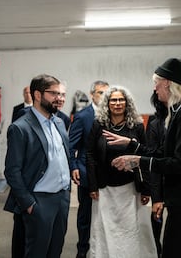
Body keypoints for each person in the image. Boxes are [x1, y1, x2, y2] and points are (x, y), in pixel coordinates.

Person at [112, 58, 181, 258]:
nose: (154, 88)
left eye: (156, 83)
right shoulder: (180, 111)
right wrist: (132, 145)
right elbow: (165, 153)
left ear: (167, 82)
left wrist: (137, 161)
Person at [4, 74, 71, 258]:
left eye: (62, 94)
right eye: (54, 93)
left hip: (62, 199)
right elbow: (12, 171)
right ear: (37, 95)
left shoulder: (59, 122)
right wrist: (29, 203)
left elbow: (63, 155)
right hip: (39, 201)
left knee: (55, 251)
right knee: (36, 253)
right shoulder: (20, 127)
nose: (60, 99)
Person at [86, 85, 156, 258]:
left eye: (121, 99)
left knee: (131, 231)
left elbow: (144, 154)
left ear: (127, 103)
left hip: (131, 189)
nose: (118, 103)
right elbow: (90, 154)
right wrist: (93, 185)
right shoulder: (98, 125)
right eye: (113, 100)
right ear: (107, 104)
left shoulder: (137, 126)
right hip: (104, 189)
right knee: (105, 230)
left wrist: (146, 188)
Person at [68, 80, 109, 258]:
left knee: (106, 215)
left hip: (108, 174)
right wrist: (74, 166)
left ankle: (102, 248)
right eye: (100, 93)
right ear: (92, 94)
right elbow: (71, 146)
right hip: (86, 173)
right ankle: (82, 249)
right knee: (85, 215)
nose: (104, 96)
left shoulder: (113, 114)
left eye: (106, 93)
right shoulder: (83, 116)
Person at [145, 91, 167, 257]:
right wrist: (156, 197)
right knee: (157, 216)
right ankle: (156, 248)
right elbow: (151, 157)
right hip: (160, 176)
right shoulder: (155, 123)